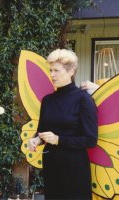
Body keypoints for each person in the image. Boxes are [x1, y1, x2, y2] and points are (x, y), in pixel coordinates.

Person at [28, 49, 98, 200]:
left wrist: (59, 139)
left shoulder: (83, 100)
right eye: (50, 70)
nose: (52, 75)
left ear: (71, 71)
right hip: (51, 165)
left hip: (74, 167)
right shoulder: (47, 100)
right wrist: (36, 140)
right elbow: (42, 130)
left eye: (56, 70)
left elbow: (91, 139)